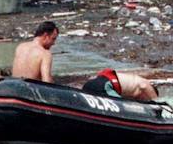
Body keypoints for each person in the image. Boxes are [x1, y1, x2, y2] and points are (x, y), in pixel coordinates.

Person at [10, 21, 158, 101]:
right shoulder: (44, 53)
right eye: (53, 39)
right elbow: (47, 82)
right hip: (31, 95)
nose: (53, 44)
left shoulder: (20, 47)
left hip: (15, 93)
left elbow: (15, 73)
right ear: (45, 35)